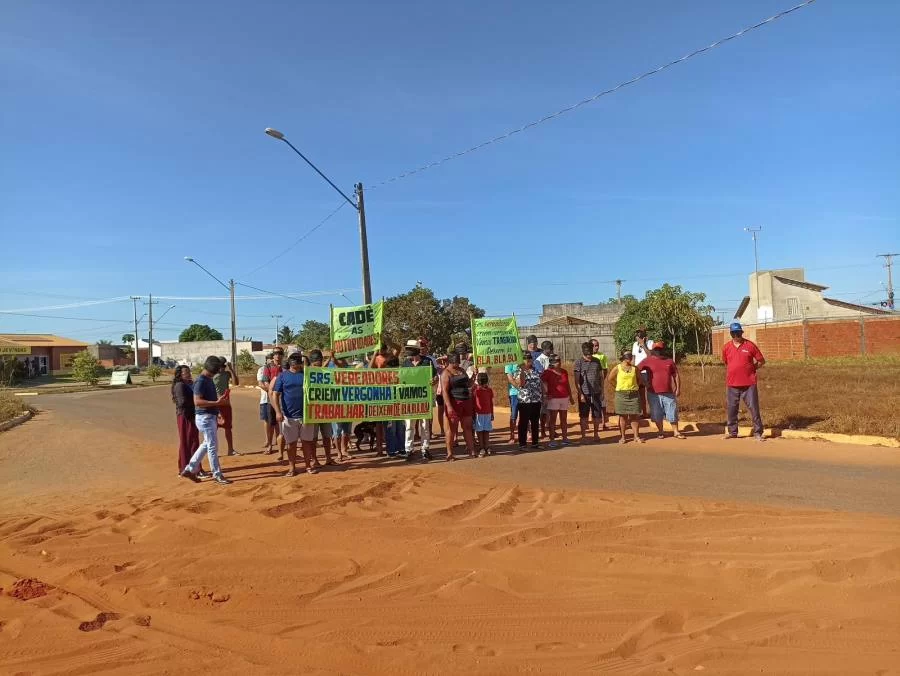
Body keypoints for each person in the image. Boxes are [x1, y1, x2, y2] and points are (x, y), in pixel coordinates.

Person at [181, 356, 232, 485]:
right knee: (212, 447)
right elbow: (197, 401)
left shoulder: (208, 379)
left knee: (206, 444)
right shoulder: (201, 381)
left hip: (210, 416)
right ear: (211, 370)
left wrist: (217, 410)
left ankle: (190, 468)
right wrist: (216, 403)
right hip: (205, 417)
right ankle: (217, 474)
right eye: (216, 370)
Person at [722, 322, 766, 441]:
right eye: (734, 333)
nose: (737, 335)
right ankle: (732, 432)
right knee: (732, 408)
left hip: (749, 383)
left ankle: (758, 432)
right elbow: (726, 362)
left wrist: (752, 368)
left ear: (741, 333)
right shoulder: (726, 347)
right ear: (731, 334)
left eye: (739, 333)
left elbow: (761, 361)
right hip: (732, 384)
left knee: (754, 408)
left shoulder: (750, 345)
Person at [271, 352, 311, 476]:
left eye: (297, 360)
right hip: (288, 416)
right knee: (291, 444)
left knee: (306, 443)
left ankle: (308, 466)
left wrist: (305, 362)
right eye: (293, 360)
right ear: (289, 362)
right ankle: (292, 468)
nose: (295, 363)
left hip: (306, 415)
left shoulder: (307, 375)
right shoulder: (282, 376)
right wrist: (278, 412)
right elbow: (275, 395)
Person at [638, 341, 685, 439]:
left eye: (660, 349)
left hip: (668, 392)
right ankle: (660, 431)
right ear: (653, 350)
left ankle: (676, 432)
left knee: (672, 412)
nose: (658, 351)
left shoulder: (669, 361)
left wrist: (678, 388)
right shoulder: (648, 360)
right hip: (653, 393)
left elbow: (675, 375)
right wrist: (644, 382)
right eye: (656, 350)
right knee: (656, 413)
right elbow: (636, 370)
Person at [400, 339, 436, 462]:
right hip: (410, 399)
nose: (408, 351)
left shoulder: (427, 362)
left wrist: (433, 381)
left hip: (424, 398)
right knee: (409, 425)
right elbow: (401, 380)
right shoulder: (405, 364)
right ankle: (409, 450)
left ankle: (425, 449)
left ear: (416, 350)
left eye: (410, 349)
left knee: (425, 425)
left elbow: (435, 377)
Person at [301, 350, 335, 466]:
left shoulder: (323, 371)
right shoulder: (307, 372)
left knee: (327, 436)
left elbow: (324, 367)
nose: (319, 365)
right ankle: (314, 459)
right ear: (312, 362)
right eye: (316, 363)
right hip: (313, 410)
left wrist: (330, 358)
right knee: (313, 437)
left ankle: (328, 458)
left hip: (325, 409)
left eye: (320, 362)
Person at [440, 353, 476, 460]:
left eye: (458, 361)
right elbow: (445, 392)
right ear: (450, 361)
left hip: (465, 401)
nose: (458, 363)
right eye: (455, 361)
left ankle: (471, 450)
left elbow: (468, 384)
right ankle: (450, 453)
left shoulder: (462, 370)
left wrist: (474, 376)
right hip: (454, 402)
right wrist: (449, 407)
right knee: (451, 429)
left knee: (468, 427)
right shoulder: (446, 373)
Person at [607, 351, 644, 444]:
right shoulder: (617, 368)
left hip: (633, 395)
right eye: (628, 357)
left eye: (631, 357)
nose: (630, 359)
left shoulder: (635, 369)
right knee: (622, 417)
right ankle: (623, 437)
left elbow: (640, 379)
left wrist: (636, 387)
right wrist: (617, 386)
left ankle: (636, 436)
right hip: (621, 395)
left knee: (634, 416)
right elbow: (610, 379)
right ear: (624, 358)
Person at [540, 354, 574, 448]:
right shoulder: (547, 372)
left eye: (559, 360)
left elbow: (567, 385)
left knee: (564, 419)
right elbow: (542, 382)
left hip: (564, 397)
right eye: (557, 361)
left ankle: (565, 438)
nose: (559, 362)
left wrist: (570, 397)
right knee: (553, 420)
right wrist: (546, 394)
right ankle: (552, 439)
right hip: (553, 399)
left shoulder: (564, 372)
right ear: (552, 362)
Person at [574, 342, 604, 442]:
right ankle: (583, 435)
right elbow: (577, 381)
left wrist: (602, 391)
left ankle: (596, 434)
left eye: (590, 354)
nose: (589, 357)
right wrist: (581, 394)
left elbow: (601, 377)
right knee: (583, 415)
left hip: (596, 392)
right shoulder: (578, 362)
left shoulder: (597, 361)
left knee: (597, 414)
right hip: (584, 393)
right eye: (587, 355)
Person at [172, 365, 200, 475]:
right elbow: (182, 402)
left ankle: (195, 468)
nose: (188, 373)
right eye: (186, 372)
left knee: (194, 442)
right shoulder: (179, 385)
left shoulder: (190, 384)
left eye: (189, 371)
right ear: (180, 374)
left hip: (193, 415)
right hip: (185, 416)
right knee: (186, 441)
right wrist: (196, 402)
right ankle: (184, 467)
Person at [213, 356, 240, 456]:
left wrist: (231, 369)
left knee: (228, 427)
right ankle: (213, 451)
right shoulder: (212, 375)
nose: (222, 368)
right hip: (215, 404)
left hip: (226, 403)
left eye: (224, 365)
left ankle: (230, 450)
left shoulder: (226, 374)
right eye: (220, 365)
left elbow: (236, 382)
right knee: (214, 428)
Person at [516, 352, 543, 450]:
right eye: (525, 358)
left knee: (535, 422)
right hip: (525, 401)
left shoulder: (535, 370)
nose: (528, 360)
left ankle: (535, 443)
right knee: (523, 422)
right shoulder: (519, 370)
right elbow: (521, 384)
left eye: (529, 358)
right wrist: (523, 370)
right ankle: (522, 444)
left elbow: (540, 384)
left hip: (536, 399)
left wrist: (543, 396)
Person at [264, 347, 286, 460]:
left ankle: (280, 450)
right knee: (271, 424)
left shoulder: (285, 367)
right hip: (271, 399)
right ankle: (269, 445)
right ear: (273, 355)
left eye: (280, 353)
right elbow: (266, 383)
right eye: (276, 353)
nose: (278, 355)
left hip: (284, 399)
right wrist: (273, 391)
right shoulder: (268, 367)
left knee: (282, 426)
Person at [329, 356, 352, 462]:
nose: (342, 361)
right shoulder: (330, 368)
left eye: (343, 359)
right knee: (337, 431)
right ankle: (339, 453)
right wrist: (332, 359)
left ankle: (344, 449)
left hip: (348, 403)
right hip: (335, 405)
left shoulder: (349, 369)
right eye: (339, 359)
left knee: (347, 431)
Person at [632, 329, 654, 418]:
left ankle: (653, 412)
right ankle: (644, 413)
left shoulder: (650, 343)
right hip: (638, 371)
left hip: (648, 372)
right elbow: (633, 358)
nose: (638, 340)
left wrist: (643, 345)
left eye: (640, 338)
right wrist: (633, 369)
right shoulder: (634, 344)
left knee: (650, 393)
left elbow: (650, 355)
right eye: (637, 338)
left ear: (645, 337)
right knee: (640, 394)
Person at [590, 338, 610, 430]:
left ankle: (604, 422)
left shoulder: (602, 356)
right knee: (591, 402)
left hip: (599, 383)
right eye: (594, 345)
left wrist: (602, 380)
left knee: (602, 402)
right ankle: (591, 421)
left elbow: (605, 369)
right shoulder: (587, 356)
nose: (596, 347)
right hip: (589, 385)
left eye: (597, 345)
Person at [473, 372, 494, 457]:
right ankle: (482, 447)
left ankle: (486, 446)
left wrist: (492, 413)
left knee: (486, 430)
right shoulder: (476, 390)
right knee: (480, 431)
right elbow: (473, 402)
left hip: (487, 413)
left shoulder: (489, 390)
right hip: (479, 414)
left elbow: (491, 403)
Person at [257, 355, 275, 454]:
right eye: (270, 359)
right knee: (267, 421)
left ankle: (277, 441)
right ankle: (268, 441)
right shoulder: (262, 370)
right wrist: (272, 391)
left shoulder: (277, 369)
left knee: (276, 422)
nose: (271, 360)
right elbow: (260, 384)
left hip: (276, 399)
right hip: (265, 400)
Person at [504, 359, 520, 444]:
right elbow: (510, 378)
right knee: (514, 415)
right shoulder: (509, 364)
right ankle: (512, 435)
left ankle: (527, 433)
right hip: (514, 393)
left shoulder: (522, 362)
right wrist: (519, 388)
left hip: (525, 393)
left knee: (525, 414)